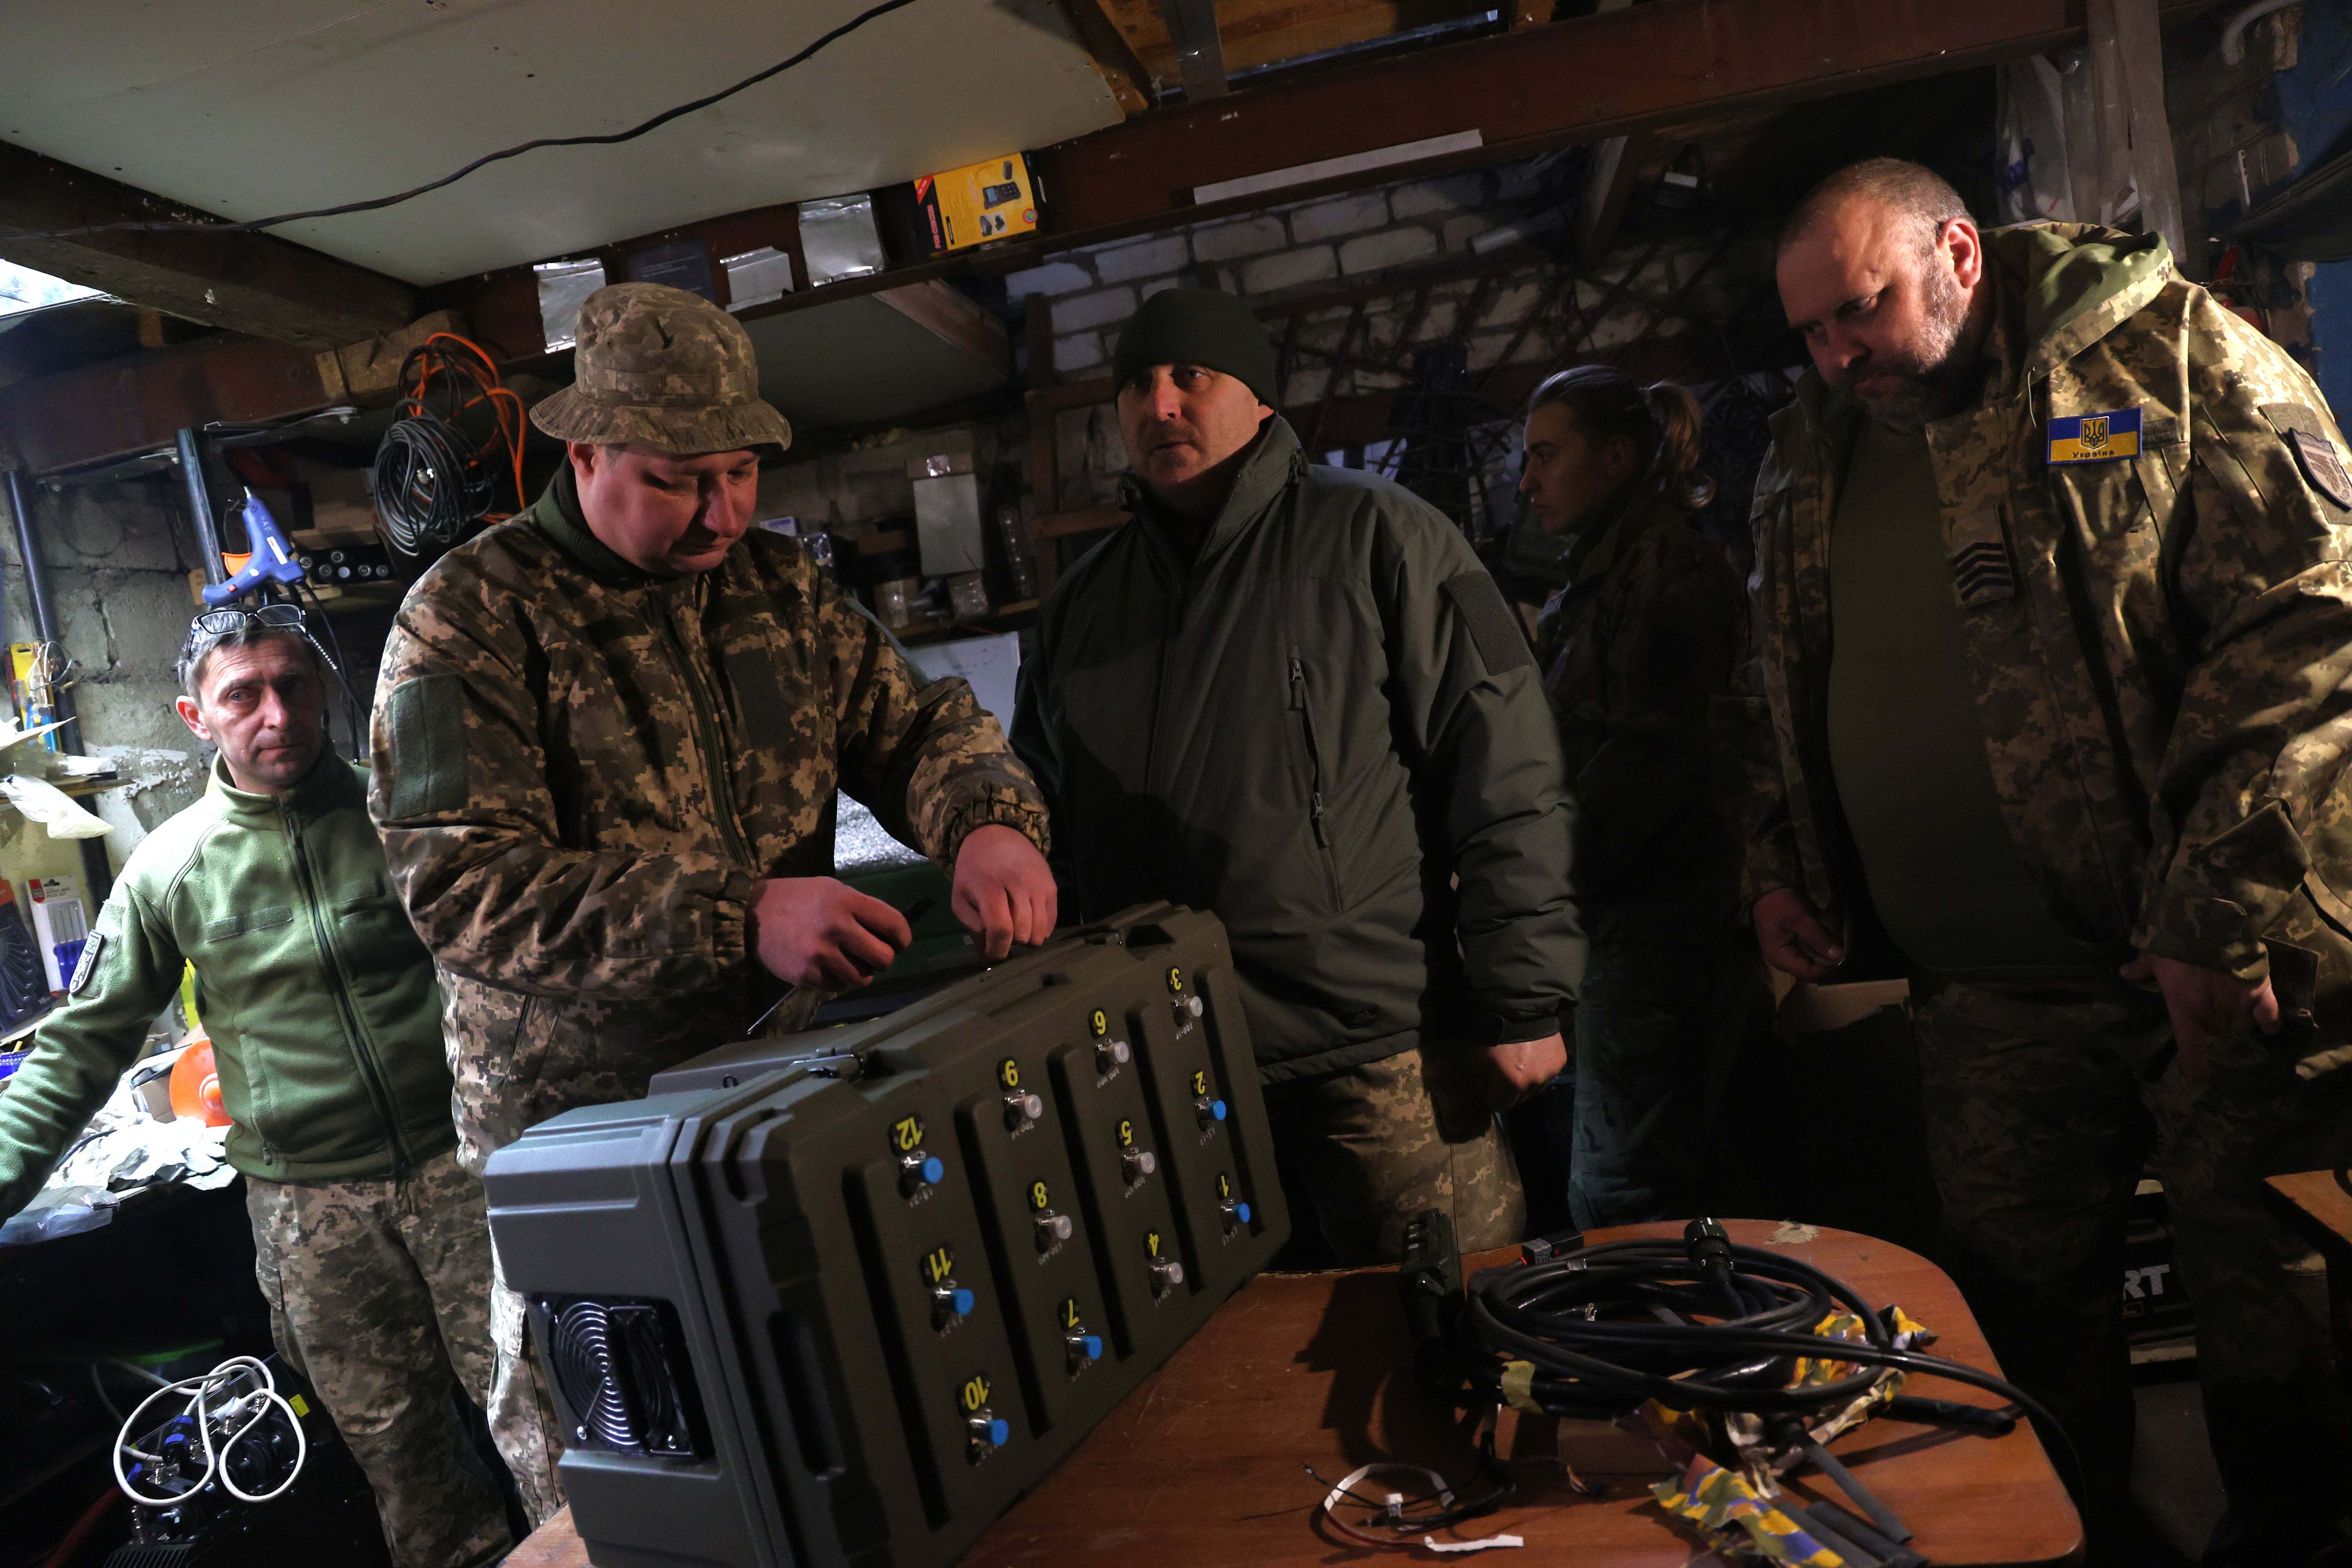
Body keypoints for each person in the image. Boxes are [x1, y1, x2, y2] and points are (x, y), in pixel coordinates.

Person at [1732, 156, 2352, 1560]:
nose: (1838, 353)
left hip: (2212, 968)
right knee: (2019, 1355)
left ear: (1957, 252)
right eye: (1811, 331)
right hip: (1989, 1003)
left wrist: (2213, 906)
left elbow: (2312, 626)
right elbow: (1773, 669)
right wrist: (1779, 856)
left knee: (2282, 1340)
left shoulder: (2167, 359)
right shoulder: (1808, 446)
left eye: (1862, 309)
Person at [369, 282, 1057, 1517]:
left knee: (820, 1434)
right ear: (584, 453)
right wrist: (736, 916)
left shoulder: (776, 592)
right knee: (636, 1486)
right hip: (583, 1148)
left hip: (772, 1106)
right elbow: (460, 883)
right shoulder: (467, 620)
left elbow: (916, 727)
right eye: (682, 478)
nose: (723, 509)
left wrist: (989, 822)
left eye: (740, 472)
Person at [1011, 287, 1581, 1266]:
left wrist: (1522, 998)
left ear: (1260, 400)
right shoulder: (1080, 609)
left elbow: (1506, 768)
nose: (1161, 405)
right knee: (1224, 1377)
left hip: (1376, 1049)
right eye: (1137, 387)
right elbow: (1040, 819)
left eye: (1191, 376)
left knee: (1455, 1332)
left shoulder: (1381, 538)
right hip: (1172, 1068)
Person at [0, 606, 514, 1568]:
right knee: (408, 1471)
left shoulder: (406, 816)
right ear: (197, 717)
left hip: (466, 1171)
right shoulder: (167, 870)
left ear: (325, 691)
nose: (277, 713)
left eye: (295, 684)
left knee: (561, 1425)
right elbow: (81, 1045)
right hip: (313, 1217)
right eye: (244, 694)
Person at [1513, 366, 1751, 1229]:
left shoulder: (1669, 572)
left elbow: (1653, 766)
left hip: (1659, 947)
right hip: (1614, 942)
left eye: (1546, 456)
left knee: (1628, 1203)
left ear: (1615, 458)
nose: (1526, 481)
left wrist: (1534, 883)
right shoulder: (1605, 573)